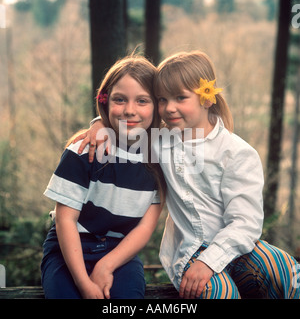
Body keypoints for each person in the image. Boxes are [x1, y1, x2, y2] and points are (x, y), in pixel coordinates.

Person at [76, 51, 300, 299]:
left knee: (284, 269)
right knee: (220, 294)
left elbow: (246, 224)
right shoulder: (158, 142)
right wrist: (99, 124)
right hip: (190, 251)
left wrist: (210, 262)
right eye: (162, 99)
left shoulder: (236, 153)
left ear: (207, 98)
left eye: (180, 98)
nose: (169, 108)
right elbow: (126, 125)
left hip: (236, 248)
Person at [41, 55, 166, 299]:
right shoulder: (84, 150)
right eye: (120, 100)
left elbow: (145, 227)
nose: (130, 110)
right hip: (69, 250)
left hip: (120, 253)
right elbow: (65, 221)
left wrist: (106, 265)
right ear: (105, 101)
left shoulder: (160, 158)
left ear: (157, 106)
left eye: (142, 101)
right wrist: (84, 284)